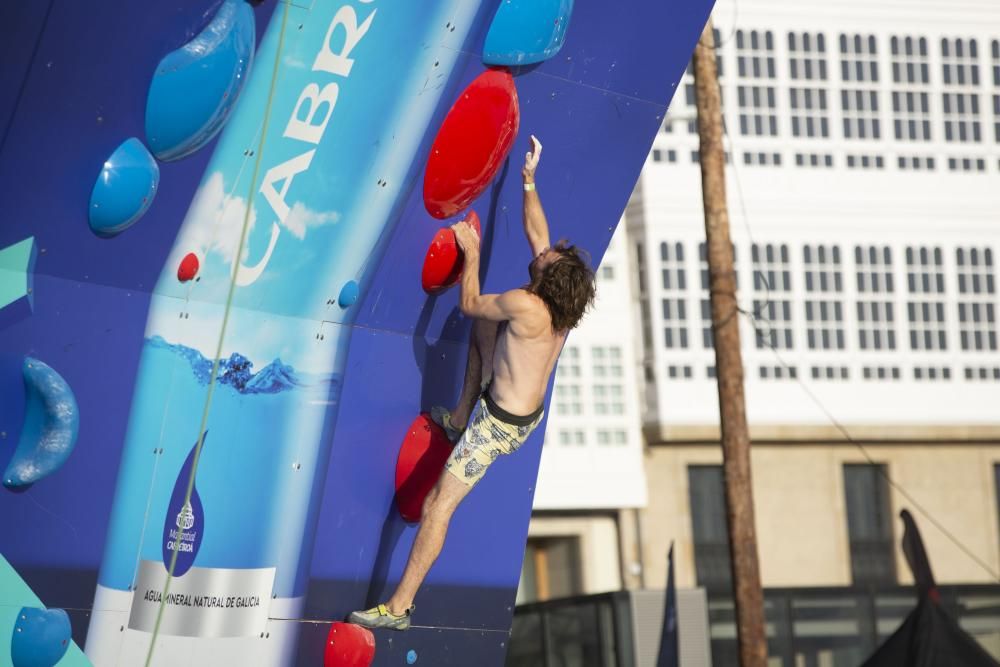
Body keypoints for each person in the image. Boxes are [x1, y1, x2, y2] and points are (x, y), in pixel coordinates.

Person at [349, 135, 596, 630]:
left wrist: (472, 254)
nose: (543, 252)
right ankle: (460, 412)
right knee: (488, 328)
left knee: (440, 504)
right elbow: (538, 235)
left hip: (499, 427)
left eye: (547, 260)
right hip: (519, 407)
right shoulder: (560, 310)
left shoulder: (526, 306)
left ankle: (398, 608)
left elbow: (467, 303)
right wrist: (527, 180)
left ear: (546, 282)